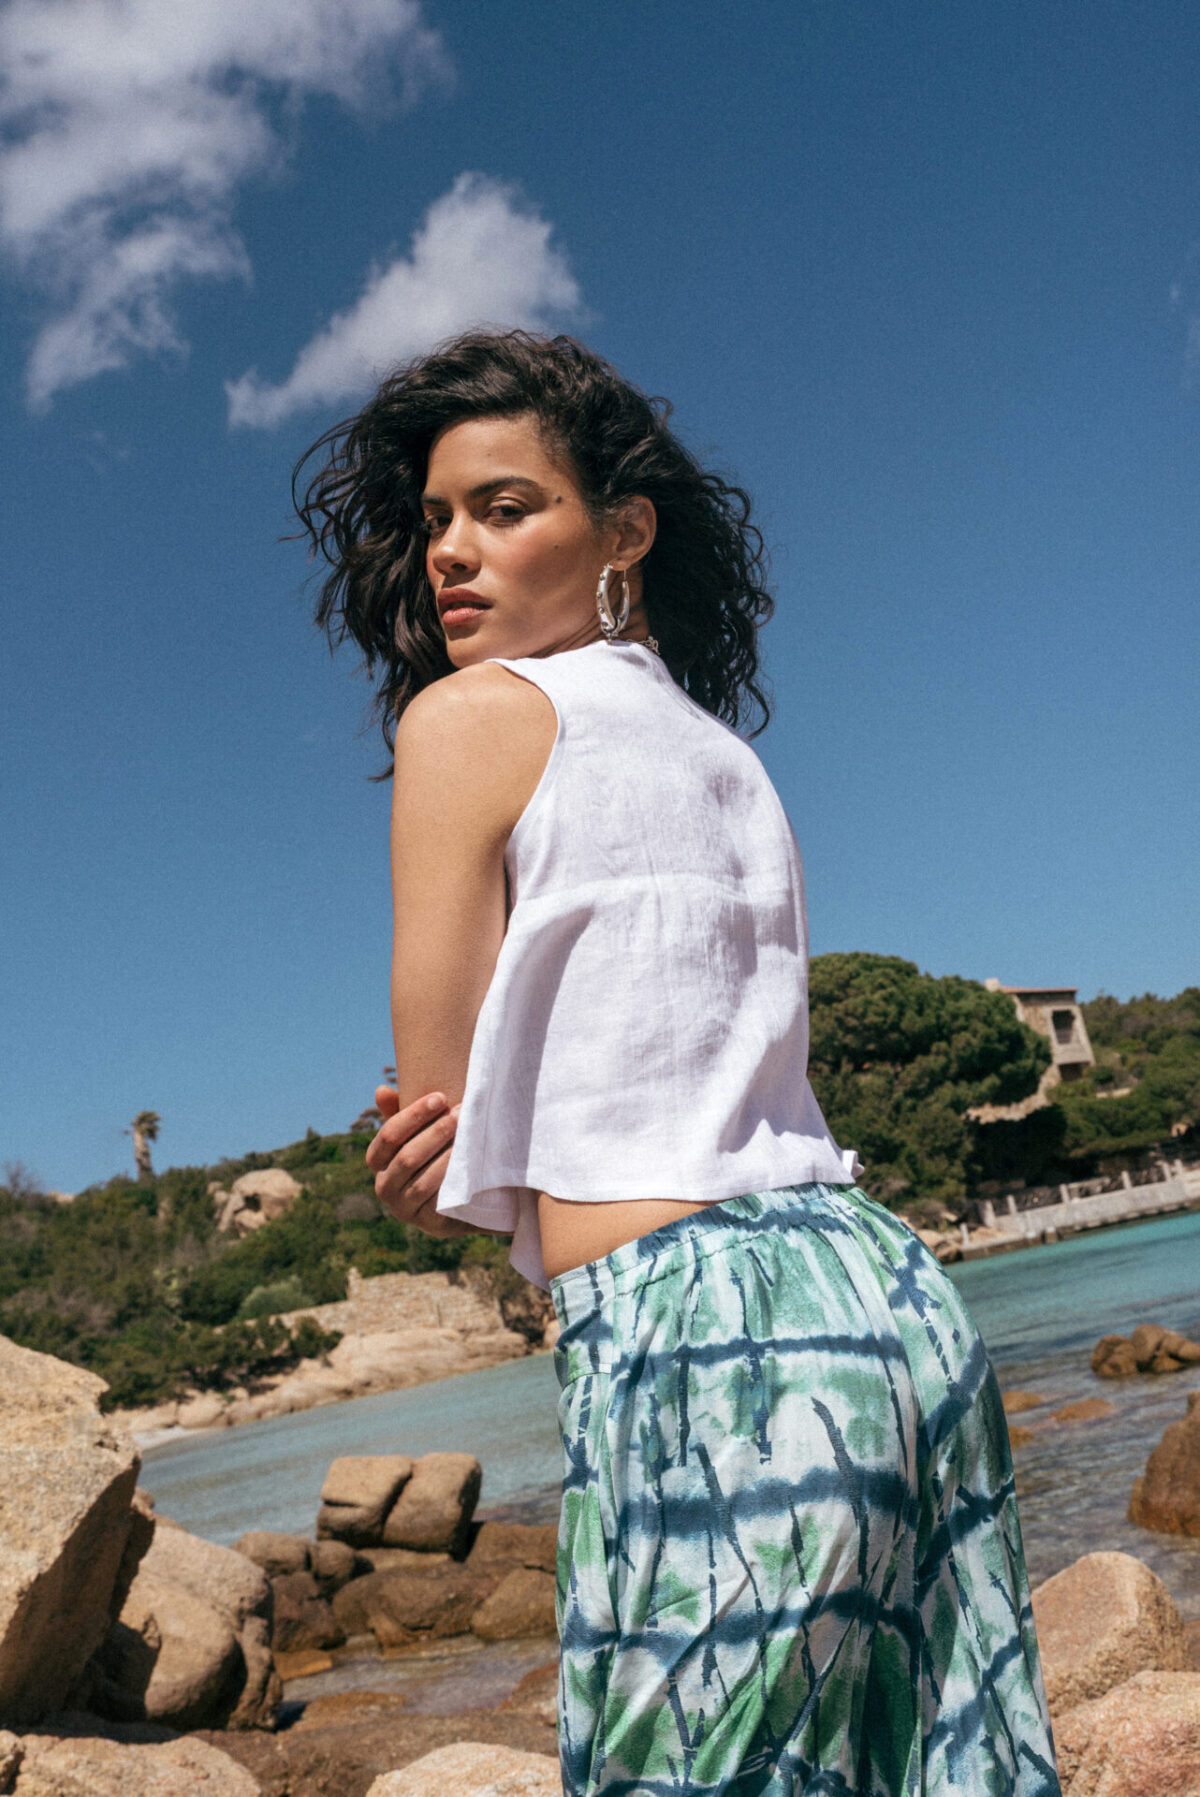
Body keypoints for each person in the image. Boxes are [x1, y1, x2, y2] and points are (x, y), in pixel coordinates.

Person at [295, 330, 1061, 1797]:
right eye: (437, 519)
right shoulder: (727, 759)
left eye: (504, 508)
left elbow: (444, 1137)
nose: (451, 550)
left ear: (624, 531)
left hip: (701, 1333)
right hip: (890, 1298)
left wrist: (423, 1181)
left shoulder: (465, 723)